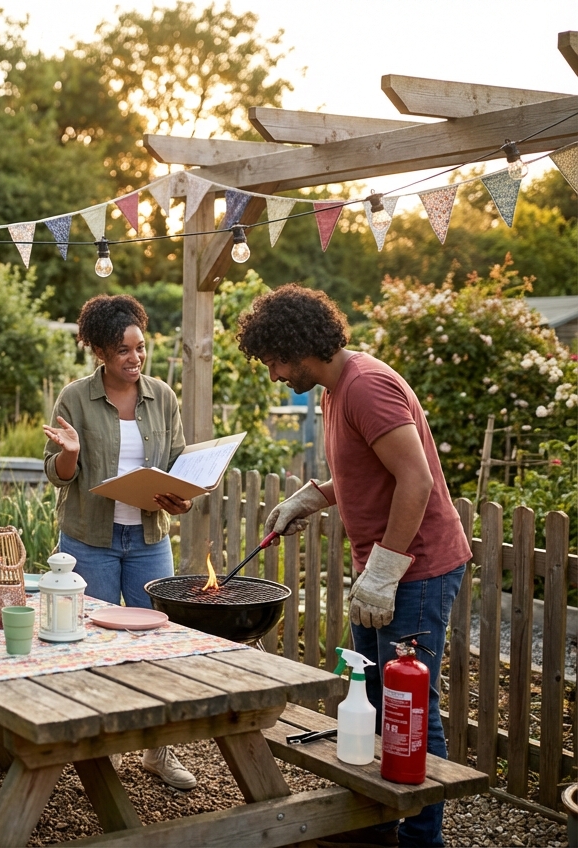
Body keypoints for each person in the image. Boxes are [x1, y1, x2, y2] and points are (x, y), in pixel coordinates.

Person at [238, 284, 471, 848]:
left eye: (272, 360)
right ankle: (374, 824)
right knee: (363, 691)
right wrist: (311, 497)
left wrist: (385, 570)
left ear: (296, 346)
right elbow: (364, 471)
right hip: (386, 570)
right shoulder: (332, 388)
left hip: (418, 570)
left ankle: (421, 838)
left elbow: (415, 481)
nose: (272, 374)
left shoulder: (367, 387)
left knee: (411, 704)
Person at [42, 294, 197, 791]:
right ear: (102, 353)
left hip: (150, 538)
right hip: (92, 539)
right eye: (125, 350)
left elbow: (175, 464)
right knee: (89, 641)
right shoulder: (74, 398)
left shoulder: (162, 396)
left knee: (156, 640)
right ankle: (95, 752)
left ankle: (158, 751)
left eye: (141, 347)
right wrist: (70, 454)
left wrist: (183, 498)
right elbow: (59, 475)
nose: (136, 358)